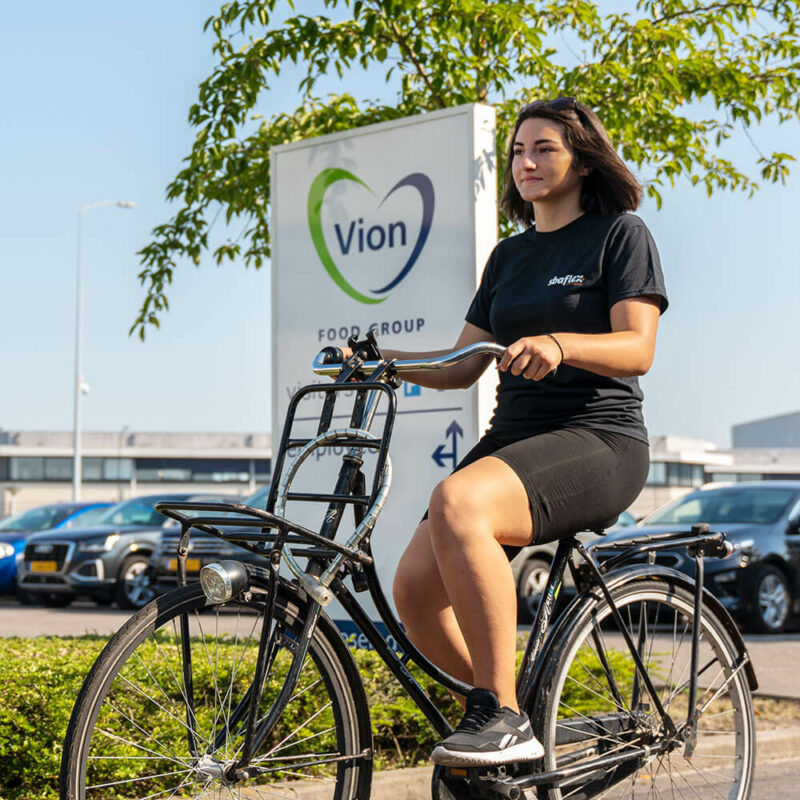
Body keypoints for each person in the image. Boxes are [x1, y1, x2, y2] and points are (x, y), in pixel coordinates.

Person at [341, 97, 668, 767]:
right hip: (516, 438)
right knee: (414, 592)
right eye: (519, 151)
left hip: (599, 437)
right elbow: (462, 365)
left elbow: (638, 349)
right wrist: (383, 363)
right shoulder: (509, 258)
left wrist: (560, 342)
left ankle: (506, 716)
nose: (527, 161)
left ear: (582, 159)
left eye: (545, 148)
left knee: (458, 501)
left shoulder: (619, 235)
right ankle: (501, 711)